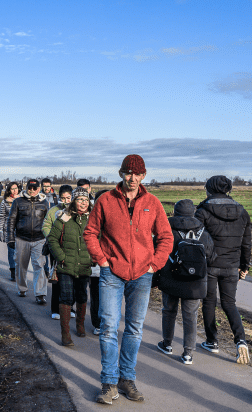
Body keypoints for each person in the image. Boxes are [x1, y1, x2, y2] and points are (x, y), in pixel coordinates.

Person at [84, 155, 172, 404]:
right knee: (109, 328)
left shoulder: (152, 203)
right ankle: (109, 383)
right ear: (121, 173)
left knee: (134, 329)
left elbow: (166, 237)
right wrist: (102, 260)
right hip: (112, 272)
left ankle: (127, 379)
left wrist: (155, 264)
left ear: (144, 175)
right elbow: (90, 232)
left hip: (142, 275)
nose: (132, 178)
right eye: (128, 173)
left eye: (137, 174)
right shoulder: (105, 200)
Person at [195, 175, 252, 365]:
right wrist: (244, 266)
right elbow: (246, 243)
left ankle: (212, 341)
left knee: (209, 302)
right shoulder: (242, 212)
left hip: (209, 265)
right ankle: (241, 340)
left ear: (209, 189)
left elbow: (196, 240)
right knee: (229, 304)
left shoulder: (202, 211)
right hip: (231, 266)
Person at [157, 199, 215, 365]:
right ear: (193, 212)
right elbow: (210, 255)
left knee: (169, 311)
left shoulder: (167, 228)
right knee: (190, 316)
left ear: (175, 211)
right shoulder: (202, 231)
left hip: (171, 277)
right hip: (195, 282)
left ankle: (167, 344)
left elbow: (158, 249)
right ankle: (188, 353)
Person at [47, 187, 93, 347]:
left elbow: (99, 239)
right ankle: (65, 333)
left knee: (81, 296)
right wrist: (61, 257)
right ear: (73, 201)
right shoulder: (64, 217)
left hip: (84, 265)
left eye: (86, 200)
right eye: (80, 199)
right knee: (66, 297)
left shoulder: (92, 219)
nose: (83, 203)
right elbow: (52, 239)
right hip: (66, 265)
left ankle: (80, 325)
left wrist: (92, 258)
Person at [6, 178, 50, 304]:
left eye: (34, 188)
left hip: (39, 239)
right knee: (21, 265)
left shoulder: (45, 203)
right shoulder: (18, 202)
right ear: (26, 188)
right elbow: (11, 221)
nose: (32, 190)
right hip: (21, 238)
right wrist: (10, 238)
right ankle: (22, 288)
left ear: (39, 188)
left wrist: (48, 239)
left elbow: (48, 222)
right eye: (30, 188)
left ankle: (40, 294)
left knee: (39, 266)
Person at [43, 185, 73, 320]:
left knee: (72, 280)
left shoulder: (76, 211)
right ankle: (55, 309)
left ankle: (70, 307)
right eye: (63, 198)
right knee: (57, 279)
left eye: (68, 198)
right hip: (56, 249)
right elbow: (45, 226)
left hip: (72, 250)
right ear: (58, 197)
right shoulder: (53, 211)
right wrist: (53, 239)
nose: (66, 200)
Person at [88, 189, 110, 335]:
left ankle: (108, 324)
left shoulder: (118, 218)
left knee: (110, 298)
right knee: (96, 296)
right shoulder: (91, 219)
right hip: (95, 265)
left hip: (113, 266)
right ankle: (97, 323)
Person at [0, 182, 21, 281]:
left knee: (20, 252)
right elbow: (2, 217)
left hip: (21, 229)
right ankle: (13, 271)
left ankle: (20, 271)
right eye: (12, 189)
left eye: (16, 188)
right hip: (9, 230)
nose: (14, 190)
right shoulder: (5, 202)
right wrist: (0, 230)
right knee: (11, 251)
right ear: (9, 190)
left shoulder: (22, 200)